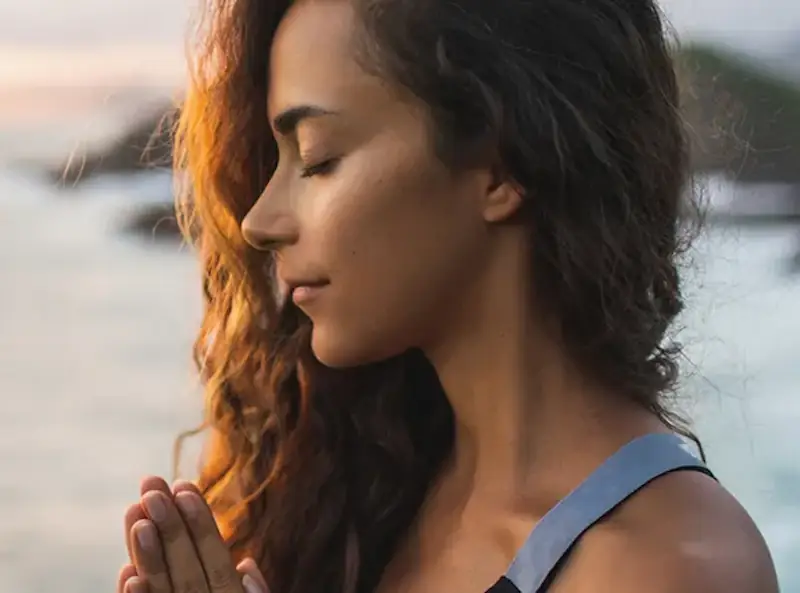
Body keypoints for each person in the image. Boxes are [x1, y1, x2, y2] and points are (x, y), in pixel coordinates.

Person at [117, 1, 780, 592]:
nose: (260, 219)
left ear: (500, 165)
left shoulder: (671, 569)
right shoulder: (362, 496)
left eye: (317, 157)